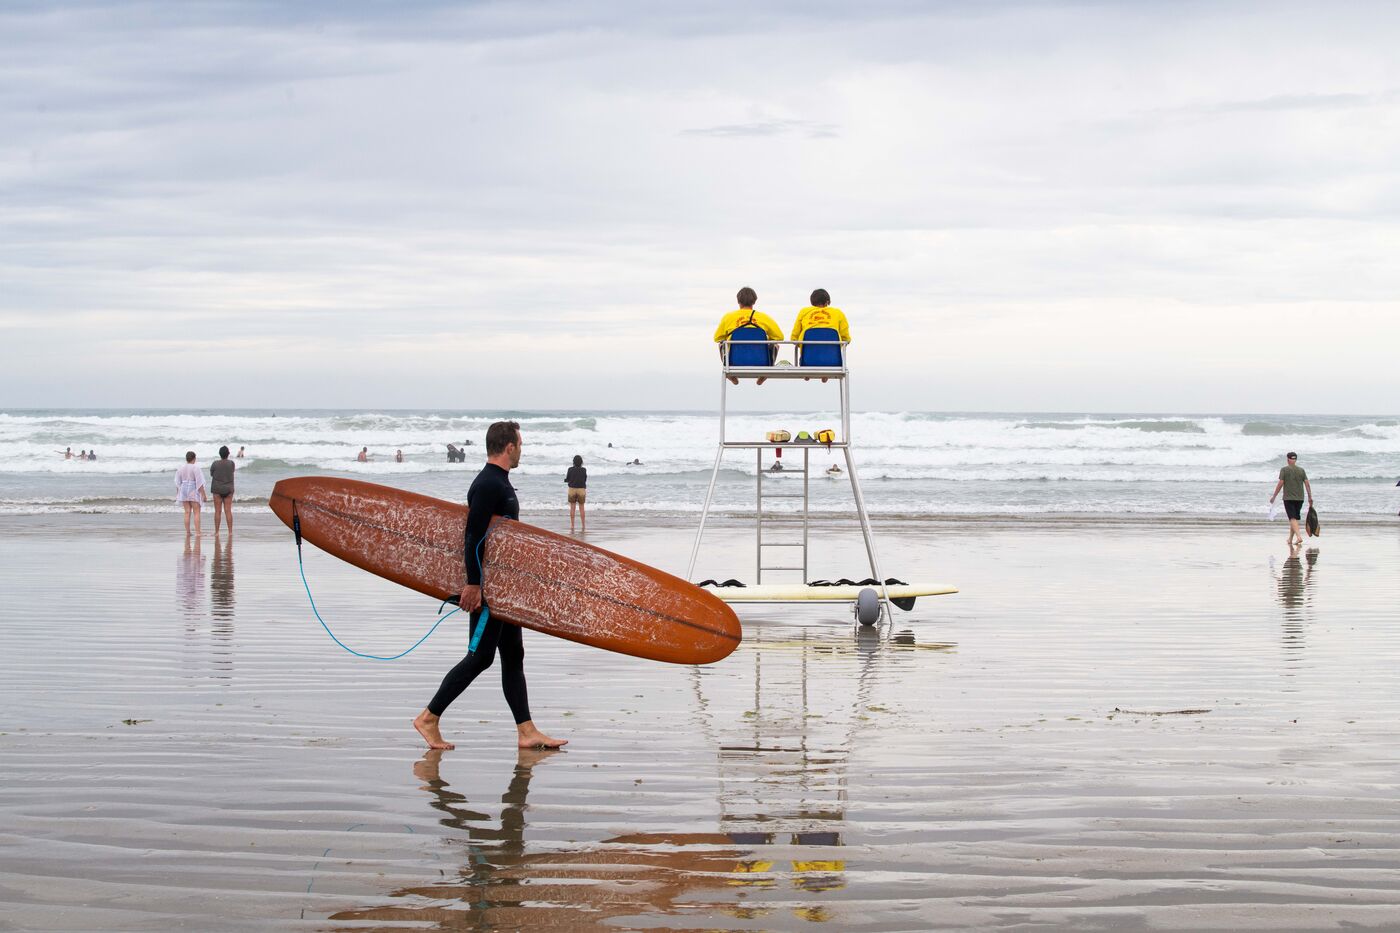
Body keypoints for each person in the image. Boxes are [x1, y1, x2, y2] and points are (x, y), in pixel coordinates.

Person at [413, 421, 566, 752]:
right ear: (509, 447)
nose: (522, 450)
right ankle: (429, 717)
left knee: (513, 654)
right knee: (480, 657)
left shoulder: (500, 483)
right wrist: (473, 584)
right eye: (520, 445)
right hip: (489, 589)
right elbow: (472, 535)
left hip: (502, 589)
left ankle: (526, 731)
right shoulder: (488, 484)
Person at [713, 287, 784, 385]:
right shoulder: (764, 317)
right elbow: (780, 337)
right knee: (775, 344)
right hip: (761, 359)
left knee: (722, 344)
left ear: (738, 301)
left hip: (735, 359)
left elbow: (717, 338)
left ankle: (730, 374)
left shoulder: (728, 317)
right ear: (754, 301)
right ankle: (765, 373)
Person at [791, 288, 851, 382]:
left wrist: (801, 344)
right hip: (832, 358)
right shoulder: (838, 313)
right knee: (829, 347)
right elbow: (846, 338)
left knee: (809, 347)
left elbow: (794, 338)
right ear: (827, 302)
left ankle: (807, 371)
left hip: (808, 357)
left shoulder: (804, 312)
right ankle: (825, 373)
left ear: (812, 302)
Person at [1269, 451, 1314, 548]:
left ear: (1288, 459)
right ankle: (1290, 538)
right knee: (1294, 520)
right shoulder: (1301, 470)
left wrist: (1274, 496)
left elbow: (1280, 483)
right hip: (1300, 498)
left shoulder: (1284, 470)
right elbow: (1307, 484)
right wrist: (1310, 497)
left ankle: (1299, 537)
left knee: (1292, 518)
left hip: (1288, 498)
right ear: (1295, 459)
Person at [174, 450, 209, 535]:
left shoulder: (181, 468)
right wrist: (204, 495)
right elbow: (199, 483)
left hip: (184, 490)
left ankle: (188, 532)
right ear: (194, 459)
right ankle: (198, 532)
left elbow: (177, 482)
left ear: (186, 459)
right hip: (193, 489)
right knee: (196, 512)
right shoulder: (196, 468)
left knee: (187, 512)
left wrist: (178, 494)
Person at [210, 445, 235, 535]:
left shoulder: (215, 463)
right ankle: (230, 532)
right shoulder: (231, 463)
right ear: (228, 454)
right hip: (228, 488)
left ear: (219, 454)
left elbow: (211, 474)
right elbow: (232, 471)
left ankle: (217, 532)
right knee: (228, 510)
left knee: (217, 511)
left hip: (217, 489)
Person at [565, 454, 587, 533]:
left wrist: (567, 480)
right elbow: (584, 479)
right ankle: (583, 525)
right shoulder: (584, 470)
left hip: (572, 489)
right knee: (582, 508)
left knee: (572, 508)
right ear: (581, 462)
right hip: (581, 489)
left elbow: (568, 479)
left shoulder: (570, 469)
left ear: (573, 462)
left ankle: (572, 525)